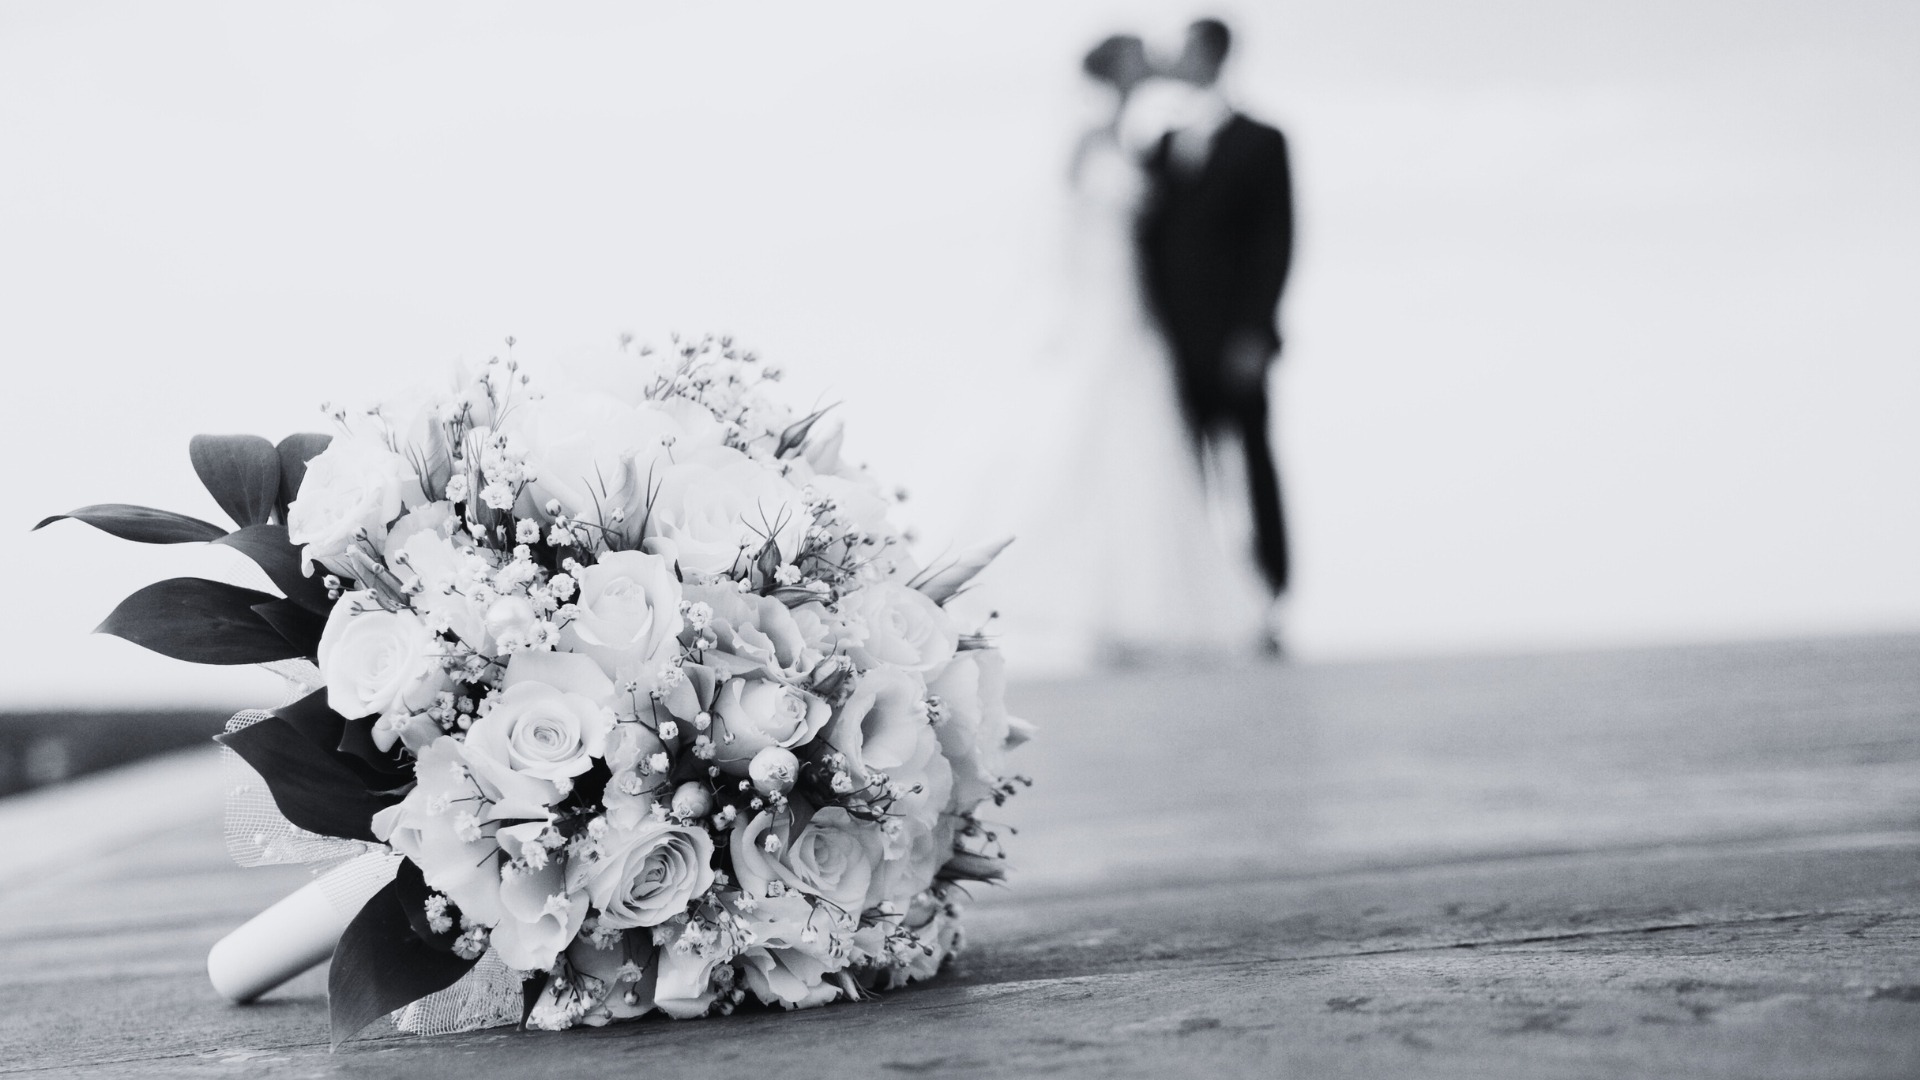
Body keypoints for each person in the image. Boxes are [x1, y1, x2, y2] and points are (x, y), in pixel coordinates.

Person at [974, 33, 1268, 671]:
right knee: (1096, 448)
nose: (1155, 59)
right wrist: (1062, 315)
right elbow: (1057, 230)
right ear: (1115, 70)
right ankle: (1105, 606)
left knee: (1143, 458)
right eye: (1141, 54)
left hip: (1139, 314)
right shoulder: (1087, 138)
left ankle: (1139, 607)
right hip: (1098, 310)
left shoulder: (1144, 142)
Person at [1130, 19, 1295, 648]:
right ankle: (1200, 607)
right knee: (1181, 476)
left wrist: (1255, 330)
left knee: (1253, 471)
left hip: (1236, 344)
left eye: (1190, 50)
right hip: (1169, 346)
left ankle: (1272, 596)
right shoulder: (1163, 144)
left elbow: (1276, 241)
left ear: (1217, 56)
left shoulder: (1264, 140)